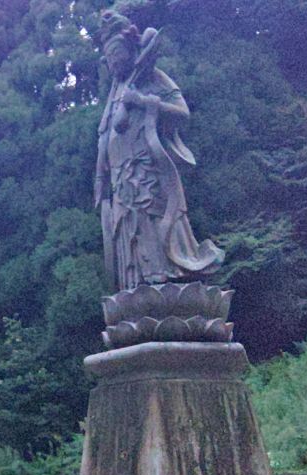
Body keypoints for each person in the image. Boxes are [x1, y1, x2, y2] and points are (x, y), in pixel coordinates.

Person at [95, 9, 224, 291]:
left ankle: (167, 278)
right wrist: (100, 178)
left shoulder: (153, 77)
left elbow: (182, 113)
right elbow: (104, 138)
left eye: (118, 54)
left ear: (131, 49)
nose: (113, 62)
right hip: (121, 179)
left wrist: (144, 101)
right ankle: (137, 287)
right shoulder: (115, 93)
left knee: (154, 221)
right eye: (109, 58)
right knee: (128, 232)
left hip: (148, 171)